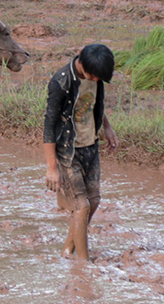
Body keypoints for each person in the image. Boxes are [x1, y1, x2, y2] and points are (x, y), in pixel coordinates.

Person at [42, 43, 119, 261]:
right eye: (93, 76)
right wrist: (52, 168)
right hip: (68, 151)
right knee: (81, 205)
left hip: (90, 146)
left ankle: (68, 250)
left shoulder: (96, 78)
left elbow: (95, 104)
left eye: (99, 78)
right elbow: (49, 125)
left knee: (93, 201)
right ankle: (83, 265)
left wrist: (107, 126)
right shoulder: (61, 82)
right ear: (82, 64)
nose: (95, 81)